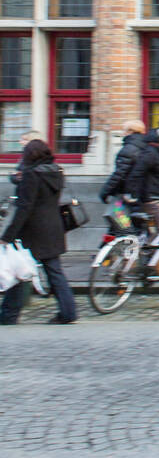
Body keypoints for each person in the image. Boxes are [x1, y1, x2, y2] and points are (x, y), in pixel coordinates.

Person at [0, 139, 74, 325]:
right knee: (54, 272)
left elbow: (25, 207)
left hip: (33, 229)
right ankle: (68, 312)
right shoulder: (56, 171)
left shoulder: (31, 174)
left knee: (19, 271)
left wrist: (8, 235)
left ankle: (9, 314)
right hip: (53, 226)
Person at [99, 119, 148, 204]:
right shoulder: (147, 146)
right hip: (144, 192)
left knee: (119, 214)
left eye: (124, 130)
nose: (123, 133)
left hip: (128, 194)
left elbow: (119, 174)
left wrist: (105, 192)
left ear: (130, 131)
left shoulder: (129, 149)